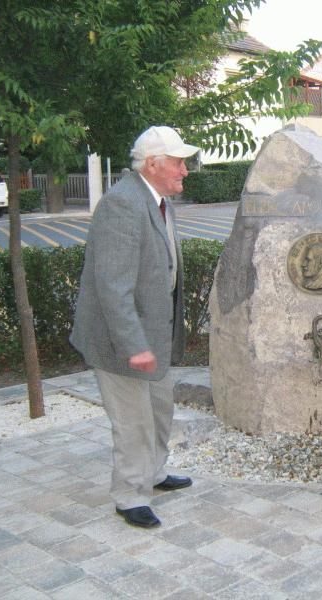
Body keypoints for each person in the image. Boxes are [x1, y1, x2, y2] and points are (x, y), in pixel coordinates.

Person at [70, 126, 199, 528]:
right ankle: (129, 495)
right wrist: (134, 345)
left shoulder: (159, 202)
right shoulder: (123, 203)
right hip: (121, 341)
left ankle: (155, 473)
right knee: (133, 422)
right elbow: (112, 284)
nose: (185, 170)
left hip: (152, 337)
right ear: (153, 163)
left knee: (159, 411)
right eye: (178, 162)